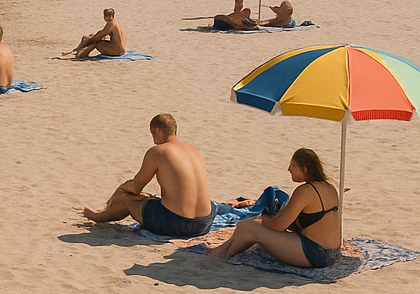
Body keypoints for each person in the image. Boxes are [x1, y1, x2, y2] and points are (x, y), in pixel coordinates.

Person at [81, 114, 215, 237]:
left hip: (175, 224)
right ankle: (104, 212)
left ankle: (100, 216)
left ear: (157, 131)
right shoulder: (193, 150)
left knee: (125, 198)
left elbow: (136, 187)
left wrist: (121, 188)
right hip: (205, 222)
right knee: (150, 199)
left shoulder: (158, 152)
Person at [209, 148, 341, 268]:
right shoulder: (329, 188)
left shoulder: (305, 191)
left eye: (293, 165)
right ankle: (219, 254)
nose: (289, 169)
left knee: (248, 227)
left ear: (305, 169)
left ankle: (223, 258)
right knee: (245, 226)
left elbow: (279, 225)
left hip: (315, 253)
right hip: (332, 252)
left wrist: (263, 220)